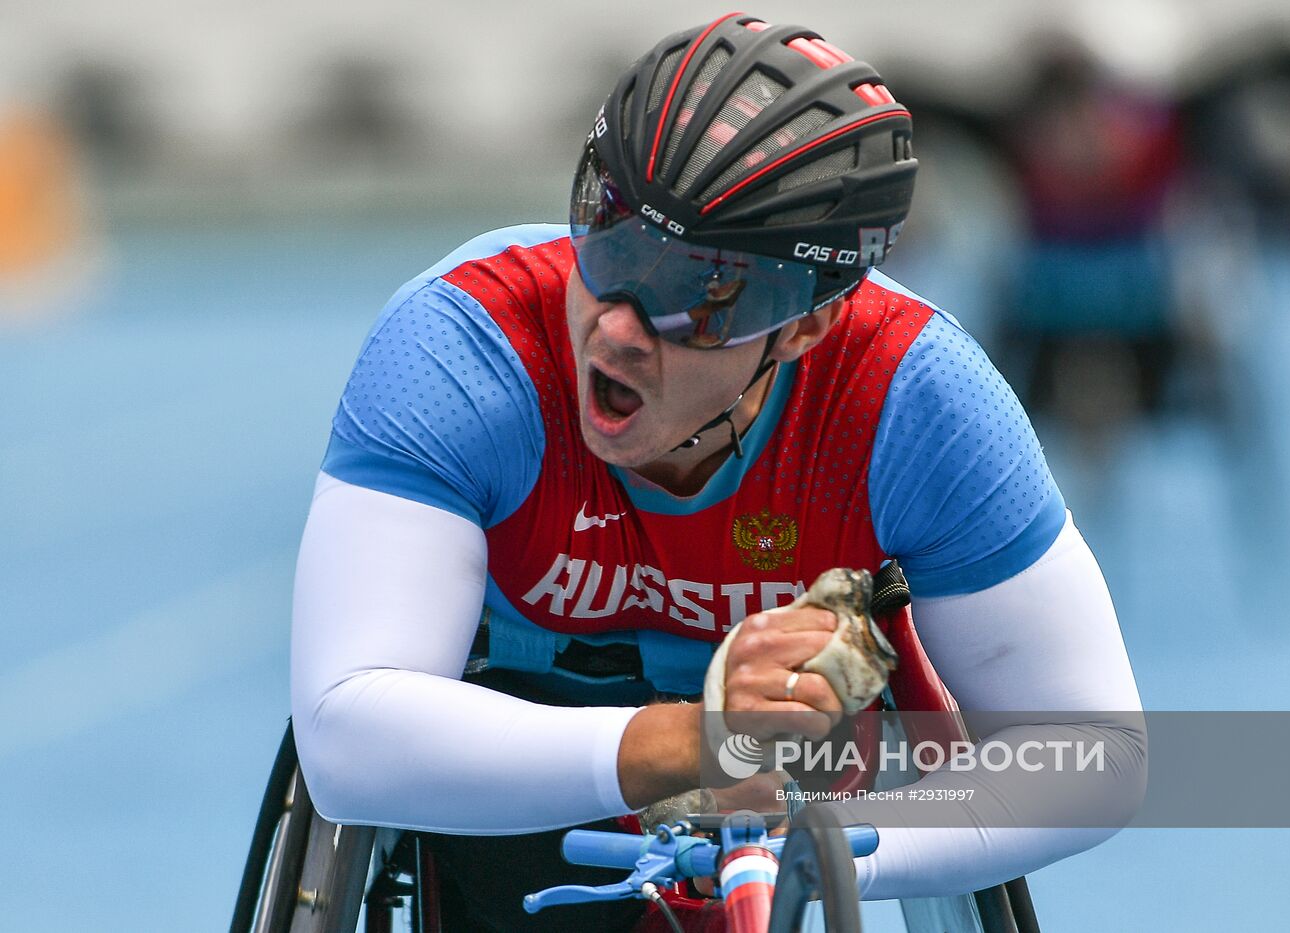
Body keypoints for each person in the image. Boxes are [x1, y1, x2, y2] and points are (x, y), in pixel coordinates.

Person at [290, 13, 1145, 931]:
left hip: (807, 776)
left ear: (808, 325)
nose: (616, 325)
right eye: (611, 236)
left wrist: (821, 849)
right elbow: (346, 740)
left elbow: (1095, 752)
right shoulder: (464, 348)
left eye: (703, 293)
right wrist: (689, 741)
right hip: (519, 770)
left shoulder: (914, 398)